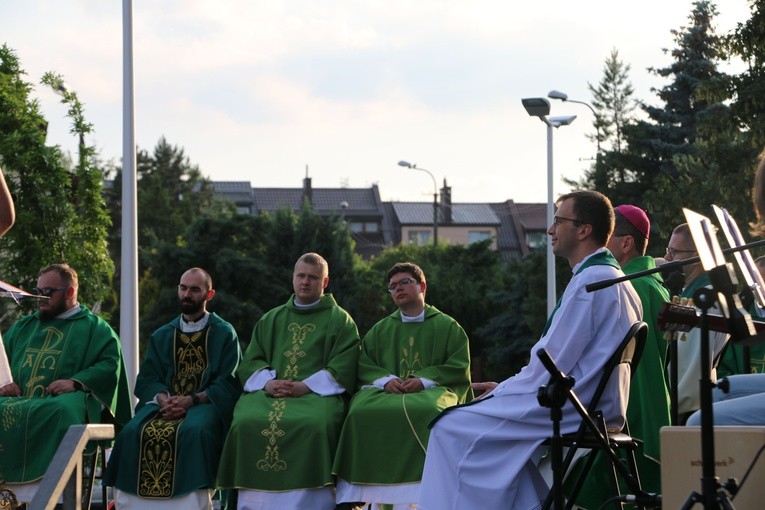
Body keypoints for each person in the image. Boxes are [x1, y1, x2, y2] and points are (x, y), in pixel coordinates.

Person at [417, 190, 642, 510]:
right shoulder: (619, 280)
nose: (550, 230)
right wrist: (507, 390)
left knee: (447, 427)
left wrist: (502, 392)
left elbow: (550, 365)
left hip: (571, 407)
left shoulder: (591, 283)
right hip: (597, 406)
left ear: (583, 230)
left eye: (559, 221)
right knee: (500, 449)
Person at [216, 252, 360, 510]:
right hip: (272, 391)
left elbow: (344, 364)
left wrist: (306, 386)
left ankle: (314, 503)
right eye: (301, 276)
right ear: (293, 278)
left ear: (325, 283)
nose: (305, 282)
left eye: (313, 277)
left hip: (317, 395)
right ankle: (253, 502)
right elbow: (251, 360)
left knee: (317, 424)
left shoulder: (340, 320)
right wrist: (268, 383)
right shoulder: (271, 318)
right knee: (246, 421)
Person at [332, 262, 473, 510]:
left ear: (422, 286)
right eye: (392, 286)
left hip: (433, 390)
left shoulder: (448, 327)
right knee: (359, 412)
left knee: (432, 412)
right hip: (388, 391)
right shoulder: (380, 329)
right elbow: (364, 364)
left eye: (404, 282)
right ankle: (368, 493)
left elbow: (458, 366)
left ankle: (430, 490)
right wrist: (386, 380)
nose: (398, 289)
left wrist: (424, 380)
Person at [103, 268, 242, 509]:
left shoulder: (223, 332)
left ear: (209, 294)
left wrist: (192, 400)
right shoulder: (163, 335)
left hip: (204, 405)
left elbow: (229, 381)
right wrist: (163, 398)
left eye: (194, 289)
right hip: (164, 407)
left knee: (196, 432)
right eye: (183, 287)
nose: (187, 294)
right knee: (130, 433)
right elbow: (147, 378)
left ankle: (194, 504)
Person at [0, 263, 132, 502]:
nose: (40, 297)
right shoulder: (24, 326)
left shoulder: (95, 329)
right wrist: (3, 382)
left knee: (62, 410)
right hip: (20, 400)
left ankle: (55, 495)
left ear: (70, 293)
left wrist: (77, 382)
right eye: (37, 290)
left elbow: (109, 365)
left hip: (57, 403)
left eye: (47, 292)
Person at [569, 204, 671, 507]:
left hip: (624, 405)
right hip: (651, 402)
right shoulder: (652, 284)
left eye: (607, 237)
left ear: (626, 243)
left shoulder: (623, 285)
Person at [664, 223, 729, 419]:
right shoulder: (691, 291)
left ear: (698, 256)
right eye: (668, 250)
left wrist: (667, 409)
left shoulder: (706, 300)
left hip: (690, 410)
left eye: (674, 252)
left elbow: (691, 371)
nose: (668, 258)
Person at [716, 254, 765, 376]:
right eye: (757, 282)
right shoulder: (737, 315)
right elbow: (723, 368)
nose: (760, 288)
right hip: (744, 392)